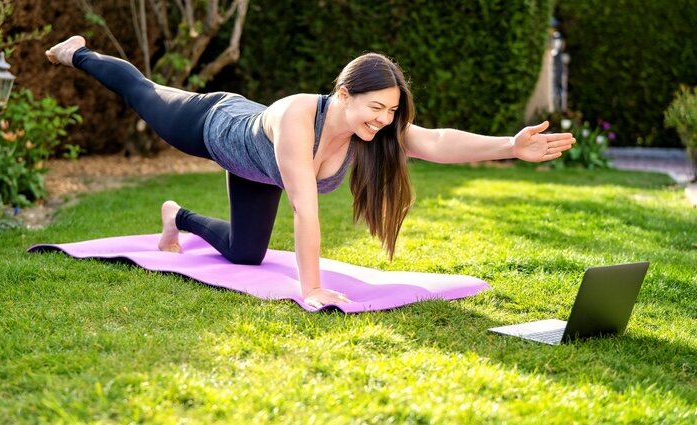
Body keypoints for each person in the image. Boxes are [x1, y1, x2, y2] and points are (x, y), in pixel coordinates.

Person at [46, 36, 575, 309]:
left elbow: (434, 141)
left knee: (247, 254)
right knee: (142, 91)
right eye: (376, 108)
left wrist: (510, 144)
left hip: (256, 170)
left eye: (392, 112)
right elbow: (304, 207)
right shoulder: (302, 116)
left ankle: (176, 216)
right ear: (344, 93)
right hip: (212, 123)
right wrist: (313, 288)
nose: (384, 120)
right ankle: (80, 54)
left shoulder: (374, 130)